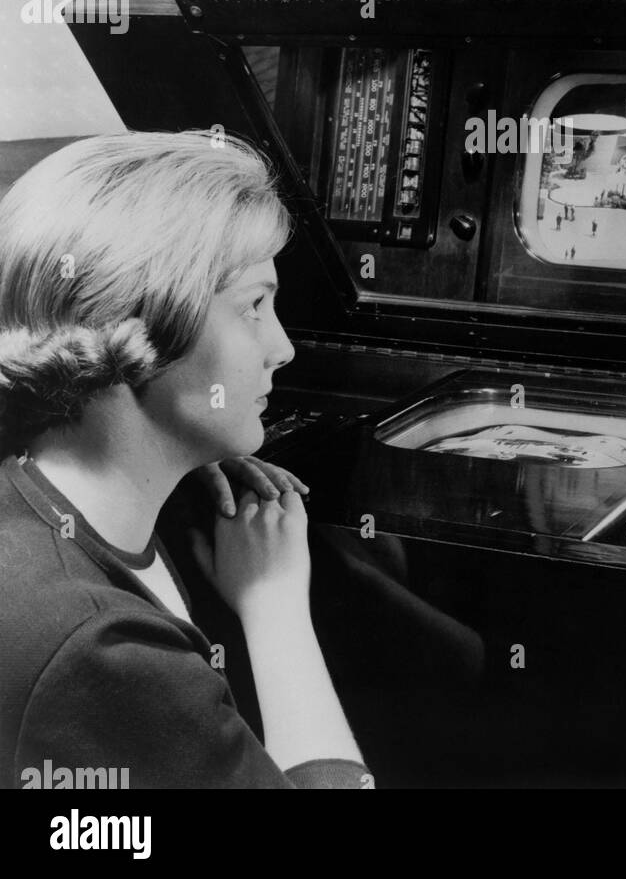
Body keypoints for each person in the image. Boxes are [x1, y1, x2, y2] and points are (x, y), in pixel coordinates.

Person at [0, 132, 370, 789]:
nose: (281, 347)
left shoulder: (30, 493)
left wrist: (173, 456)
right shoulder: (97, 647)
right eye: (254, 305)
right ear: (131, 323)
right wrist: (273, 604)